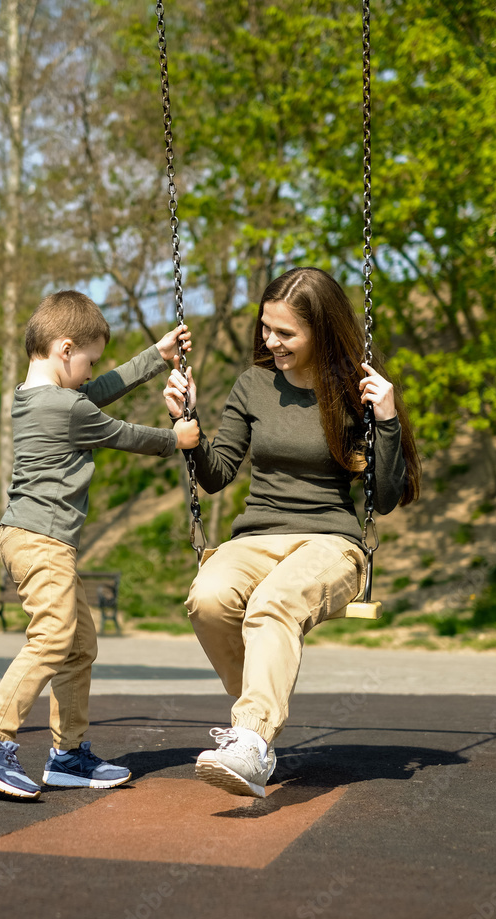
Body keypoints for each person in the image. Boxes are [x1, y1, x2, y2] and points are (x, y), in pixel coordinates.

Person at [164, 267, 421, 799]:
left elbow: (385, 497)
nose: (271, 341)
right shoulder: (253, 385)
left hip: (330, 541)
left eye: (285, 333)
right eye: (266, 328)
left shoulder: (354, 391)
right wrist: (190, 430)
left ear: (319, 332)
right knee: (207, 598)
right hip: (255, 536)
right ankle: (253, 725)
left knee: (273, 602)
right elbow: (216, 475)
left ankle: (252, 739)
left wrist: (387, 420)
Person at [0, 290, 199, 800]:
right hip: (40, 541)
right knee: (51, 638)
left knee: (79, 646)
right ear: (65, 349)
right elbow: (120, 433)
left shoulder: (36, 396)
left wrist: (157, 357)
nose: (91, 372)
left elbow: (97, 392)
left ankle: (67, 756)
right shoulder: (65, 407)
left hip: (36, 539)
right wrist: (176, 440)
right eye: (88, 361)